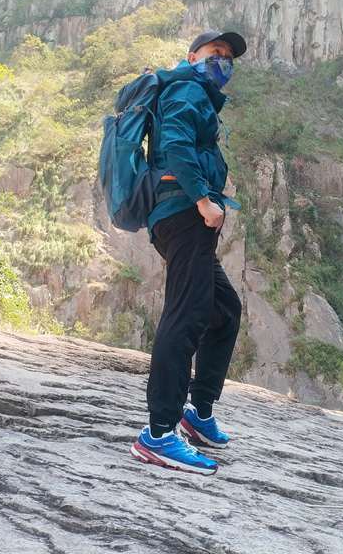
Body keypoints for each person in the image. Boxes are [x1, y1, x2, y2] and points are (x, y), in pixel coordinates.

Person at [129, 28, 247, 476]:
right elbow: (176, 143)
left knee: (224, 310)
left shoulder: (198, 93)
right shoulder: (186, 89)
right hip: (183, 213)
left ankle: (196, 413)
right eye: (215, 52)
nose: (223, 61)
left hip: (185, 216)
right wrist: (202, 198)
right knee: (187, 315)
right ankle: (158, 434)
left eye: (228, 57)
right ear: (192, 56)